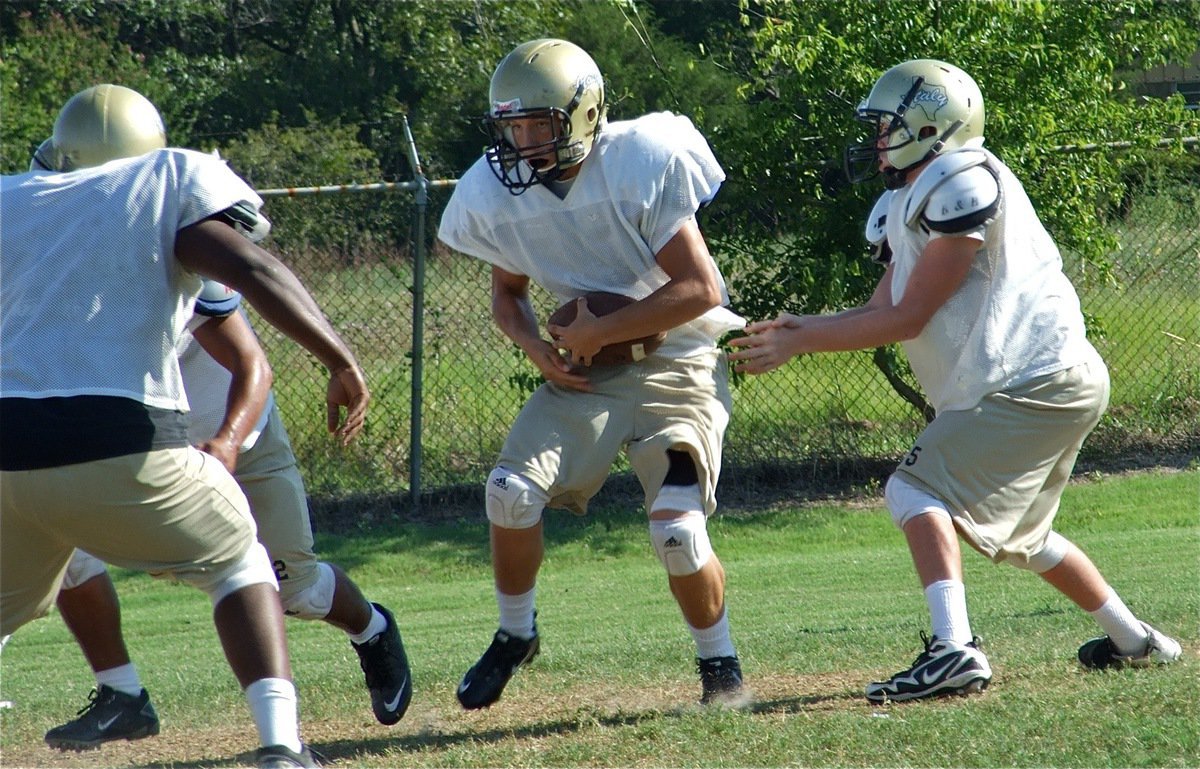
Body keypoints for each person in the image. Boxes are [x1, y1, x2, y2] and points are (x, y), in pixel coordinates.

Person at [728, 59, 1182, 703]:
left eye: (887, 127)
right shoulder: (911, 197)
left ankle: (953, 650)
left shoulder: (962, 179)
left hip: (1031, 379)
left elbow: (909, 317)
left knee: (914, 490)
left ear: (930, 128)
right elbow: (881, 308)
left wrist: (800, 342)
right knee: (1027, 539)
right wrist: (799, 328)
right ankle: (1136, 641)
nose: (877, 140)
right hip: (1043, 379)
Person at [23, 91, 411, 752]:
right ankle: (122, 693)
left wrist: (227, 442)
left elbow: (252, 365)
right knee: (66, 547)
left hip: (234, 434)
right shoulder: (51, 254)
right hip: (143, 444)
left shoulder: (167, 235)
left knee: (291, 588)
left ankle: (371, 627)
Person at [437, 38, 748, 710]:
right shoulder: (500, 191)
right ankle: (516, 633)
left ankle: (720, 665)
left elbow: (700, 289)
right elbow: (507, 296)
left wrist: (600, 330)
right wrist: (535, 346)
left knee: (677, 530)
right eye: (513, 128)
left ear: (582, 115)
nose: (523, 143)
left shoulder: (638, 160)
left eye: (538, 125)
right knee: (509, 493)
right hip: (586, 370)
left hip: (679, 362)